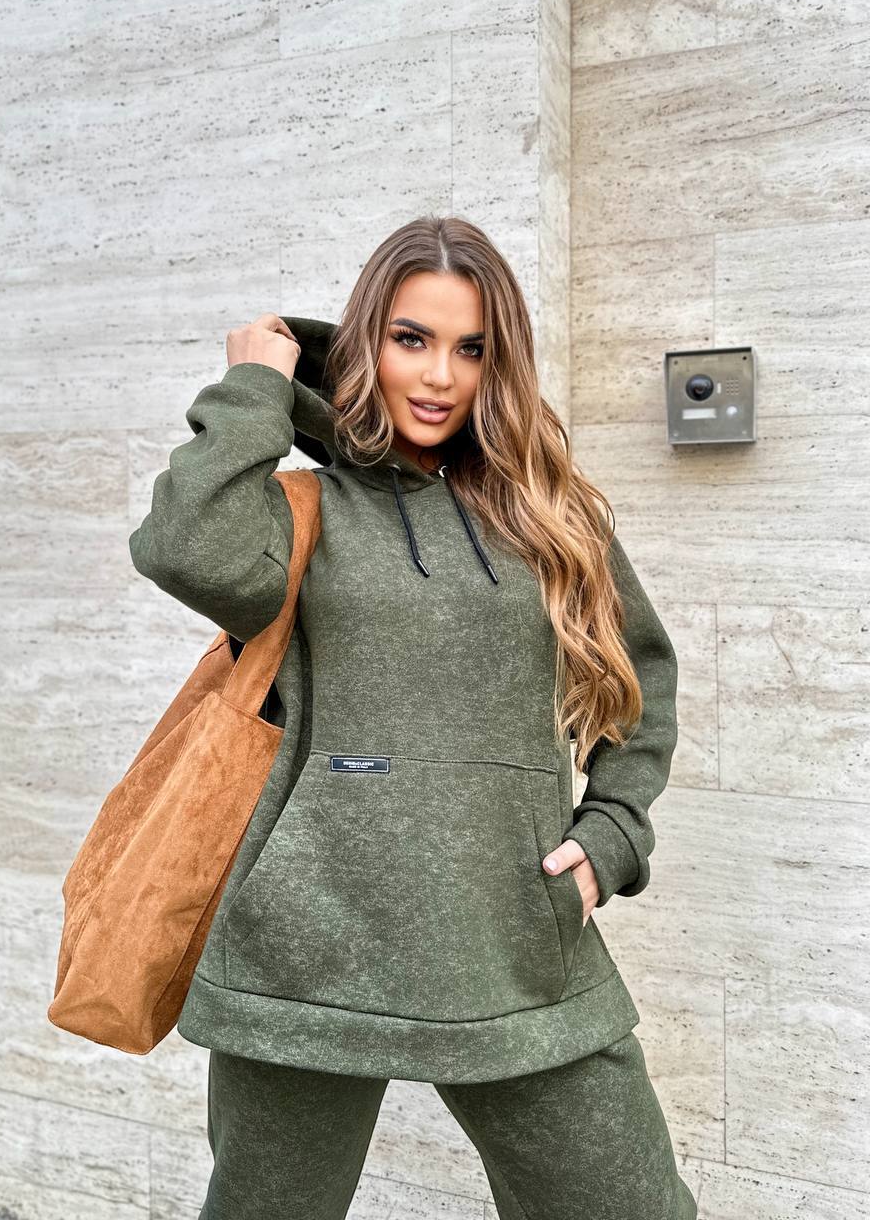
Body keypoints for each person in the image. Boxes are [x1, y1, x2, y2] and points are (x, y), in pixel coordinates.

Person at [129, 215, 698, 1220]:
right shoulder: (300, 509)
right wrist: (257, 386)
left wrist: (611, 835)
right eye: (411, 339)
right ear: (367, 345)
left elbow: (634, 684)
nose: (439, 375)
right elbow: (185, 546)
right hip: (306, 951)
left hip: (514, 939)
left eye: (471, 348)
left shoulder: (550, 514)